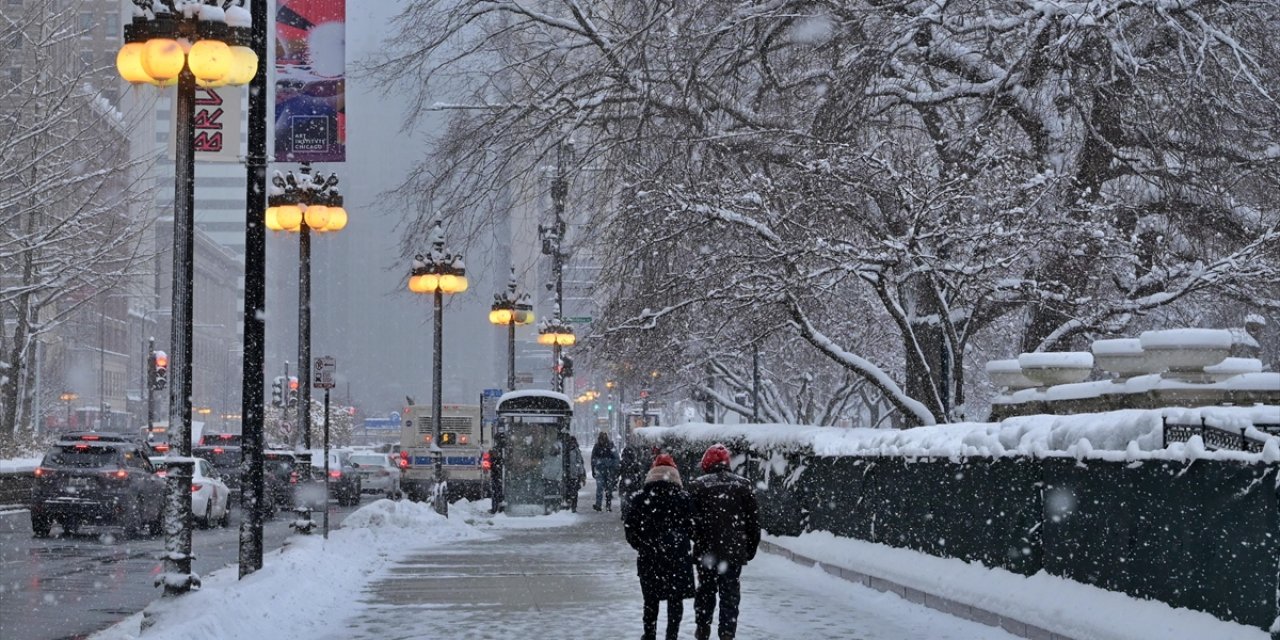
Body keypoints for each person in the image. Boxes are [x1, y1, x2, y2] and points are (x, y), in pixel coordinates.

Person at [688, 444, 760, 640]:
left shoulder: (697, 486)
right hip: (733, 551)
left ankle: (703, 627)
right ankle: (727, 632)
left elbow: (691, 522)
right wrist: (750, 548)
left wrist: (699, 538)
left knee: (706, 591)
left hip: (707, 551)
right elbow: (753, 522)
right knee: (730, 594)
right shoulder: (743, 485)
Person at [624, 454, 696, 640]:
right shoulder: (683, 498)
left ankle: (649, 634)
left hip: (650, 555)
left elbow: (630, 528)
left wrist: (641, 544)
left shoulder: (640, 498)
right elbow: (693, 527)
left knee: (650, 599)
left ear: (652, 473)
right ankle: (672, 635)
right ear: (675, 474)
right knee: (675, 599)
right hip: (677, 556)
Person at [591, 431, 621, 511]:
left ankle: (608, 504)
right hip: (600, 470)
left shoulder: (611, 446)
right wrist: (594, 468)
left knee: (609, 488)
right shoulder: (597, 447)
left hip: (609, 470)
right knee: (599, 487)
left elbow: (616, 458)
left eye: (603, 439)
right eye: (601, 439)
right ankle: (598, 504)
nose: (602, 441)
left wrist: (612, 466)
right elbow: (593, 459)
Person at [488, 432, 506, 514]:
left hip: (496, 473)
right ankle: (499, 507)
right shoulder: (504, 449)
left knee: (496, 491)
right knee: (498, 491)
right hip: (499, 473)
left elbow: (492, 461)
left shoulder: (496, 449)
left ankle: (495, 508)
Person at [567, 436, 586, 512]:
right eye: (571, 442)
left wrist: (581, 475)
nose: (572, 443)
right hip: (567, 474)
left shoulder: (576, 451)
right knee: (570, 490)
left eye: (573, 442)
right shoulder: (566, 450)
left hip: (574, 474)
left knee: (574, 491)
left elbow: (580, 463)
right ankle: (570, 505)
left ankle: (573, 506)